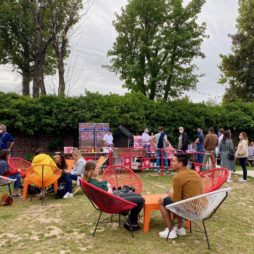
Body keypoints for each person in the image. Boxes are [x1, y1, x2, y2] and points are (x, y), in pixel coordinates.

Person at [83, 160, 144, 231]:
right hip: (112, 202)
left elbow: (106, 183)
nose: (99, 170)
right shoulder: (94, 183)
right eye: (97, 168)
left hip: (112, 199)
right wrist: (108, 186)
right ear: (92, 170)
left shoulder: (92, 181)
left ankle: (127, 215)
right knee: (141, 200)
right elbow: (109, 191)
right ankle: (132, 223)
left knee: (137, 195)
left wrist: (107, 185)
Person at [159, 153, 204, 239]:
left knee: (162, 201)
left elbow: (176, 200)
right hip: (201, 208)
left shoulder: (178, 177)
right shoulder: (194, 173)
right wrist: (173, 192)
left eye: (173, 161)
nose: (171, 162)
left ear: (180, 164)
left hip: (189, 210)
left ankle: (170, 230)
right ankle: (180, 228)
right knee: (175, 200)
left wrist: (167, 196)